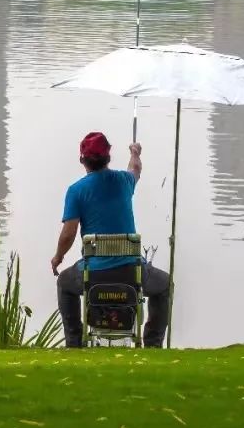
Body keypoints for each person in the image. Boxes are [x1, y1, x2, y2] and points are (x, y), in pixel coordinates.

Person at [50, 132, 170, 348]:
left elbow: (68, 233)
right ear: (109, 157)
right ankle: (153, 345)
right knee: (165, 285)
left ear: (82, 160)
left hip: (93, 275)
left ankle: (74, 344)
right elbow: (136, 169)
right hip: (131, 274)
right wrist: (135, 153)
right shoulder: (123, 181)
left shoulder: (76, 191)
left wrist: (58, 257)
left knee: (64, 284)